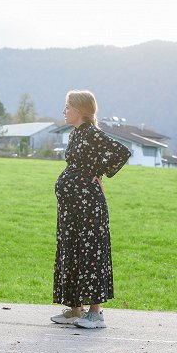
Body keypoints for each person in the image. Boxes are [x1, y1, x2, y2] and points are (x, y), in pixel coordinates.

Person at [51, 89, 131, 328]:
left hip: (88, 207)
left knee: (91, 253)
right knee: (72, 250)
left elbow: (122, 152)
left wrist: (100, 174)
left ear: (79, 110)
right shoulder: (75, 134)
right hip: (72, 208)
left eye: (67, 107)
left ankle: (96, 314)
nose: (64, 111)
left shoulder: (92, 133)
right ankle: (76, 309)